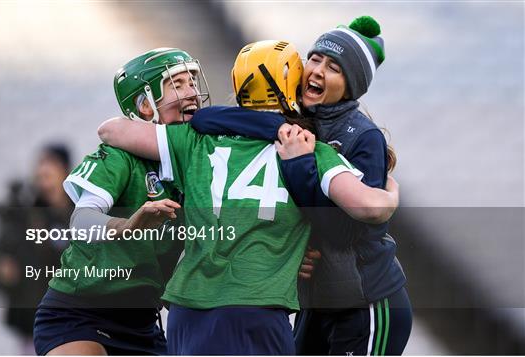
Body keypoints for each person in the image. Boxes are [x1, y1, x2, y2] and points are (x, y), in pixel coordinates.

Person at [97, 40, 399, 355]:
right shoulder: (308, 148)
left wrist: (221, 119)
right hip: (256, 309)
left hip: (186, 310)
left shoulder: (196, 140)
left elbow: (111, 130)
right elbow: (369, 208)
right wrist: (391, 194)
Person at [190, 16, 413, 356]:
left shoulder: (363, 137)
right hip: (316, 301)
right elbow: (206, 118)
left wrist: (299, 167)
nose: (317, 71)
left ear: (351, 85)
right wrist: (276, 129)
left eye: (334, 67)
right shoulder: (293, 118)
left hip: (366, 303)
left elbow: (346, 232)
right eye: (315, 58)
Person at [33, 47, 210, 355]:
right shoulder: (119, 157)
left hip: (143, 324)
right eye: (177, 84)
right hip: (80, 313)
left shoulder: (198, 158)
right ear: (144, 104)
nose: (192, 92)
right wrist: (128, 224)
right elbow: (81, 221)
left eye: (192, 81)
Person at [0, 144, 72, 354]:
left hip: (73, 324)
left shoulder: (80, 213)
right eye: (41, 171)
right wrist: (2, 272)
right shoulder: (23, 215)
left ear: (66, 172)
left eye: (50, 170)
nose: (44, 179)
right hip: (33, 326)